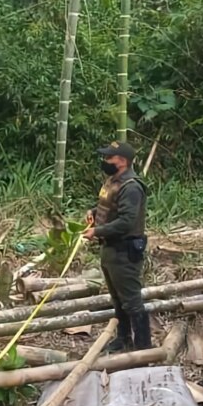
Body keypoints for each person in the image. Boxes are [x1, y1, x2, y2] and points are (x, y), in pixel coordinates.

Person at [82, 141, 152, 352]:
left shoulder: (131, 187)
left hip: (125, 251)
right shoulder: (113, 181)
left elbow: (126, 221)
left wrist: (97, 231)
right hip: (110, 249)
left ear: (122, 161)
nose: (105, 161)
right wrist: (94, 213)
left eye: (109, 158)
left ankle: (143, 347)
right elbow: (110, 206)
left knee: (131, 300)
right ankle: (123, 338)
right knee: (117, 299)